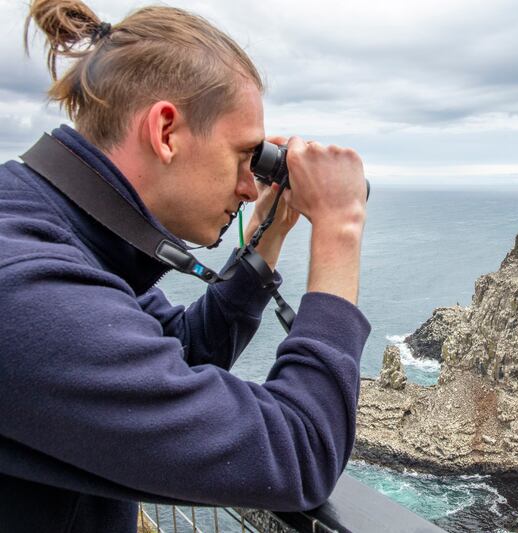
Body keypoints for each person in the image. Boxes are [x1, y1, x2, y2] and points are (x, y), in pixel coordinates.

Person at [0, 1, 370, 531]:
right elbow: (297, 456)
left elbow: (174, 350)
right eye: (244, 155)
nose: (250, 184)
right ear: (166, 131)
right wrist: (340, 229)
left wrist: (268, 238)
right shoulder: (27, 286)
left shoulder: (69, 232)